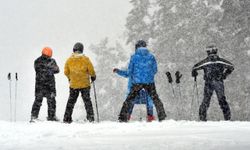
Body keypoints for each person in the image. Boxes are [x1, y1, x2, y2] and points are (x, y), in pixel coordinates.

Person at [117, 40, 167, 122]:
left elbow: (130, 71)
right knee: (155, 98)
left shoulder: (134, 57)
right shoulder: (151, 56)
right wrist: (148, 75)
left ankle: (123, 117)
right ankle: (162, 116)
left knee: (129, 99)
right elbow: (155, 70)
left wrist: (137, 76)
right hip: (149, 81)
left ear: (136, 47)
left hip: (137, 82)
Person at [192, 45, 234, 121]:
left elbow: (195, 67)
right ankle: (227, 118)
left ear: (208, 52)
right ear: (216, 51)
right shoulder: (220, 61)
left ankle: (202, 118)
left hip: (209, 83)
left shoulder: (206, 61)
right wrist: (225, 75)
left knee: (206, 100)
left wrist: (194, 73)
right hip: (219, 82)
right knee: (222, 100)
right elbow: (231, 66)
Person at [63, 42, 96, 123]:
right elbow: (91, 70)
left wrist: (70, 78)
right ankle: (90, 118)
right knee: (87, 101)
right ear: (82, 49)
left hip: (74, 84)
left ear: (74, 49)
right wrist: (93, 76)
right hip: (85, 84)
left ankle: (67, 118)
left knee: (71, 102)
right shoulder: (85, 59)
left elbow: (66, 72)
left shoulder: (69, 60)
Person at [30, 47, 60, 122]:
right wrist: (49, 69)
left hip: (40, 85)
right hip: (49, 85)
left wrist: (46, 69)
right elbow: (56, 70)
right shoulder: (52, 61)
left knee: (38, 101)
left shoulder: (37, 61)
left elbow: (56, 70)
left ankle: (34, 116)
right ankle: (51, 116)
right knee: (51, 101)